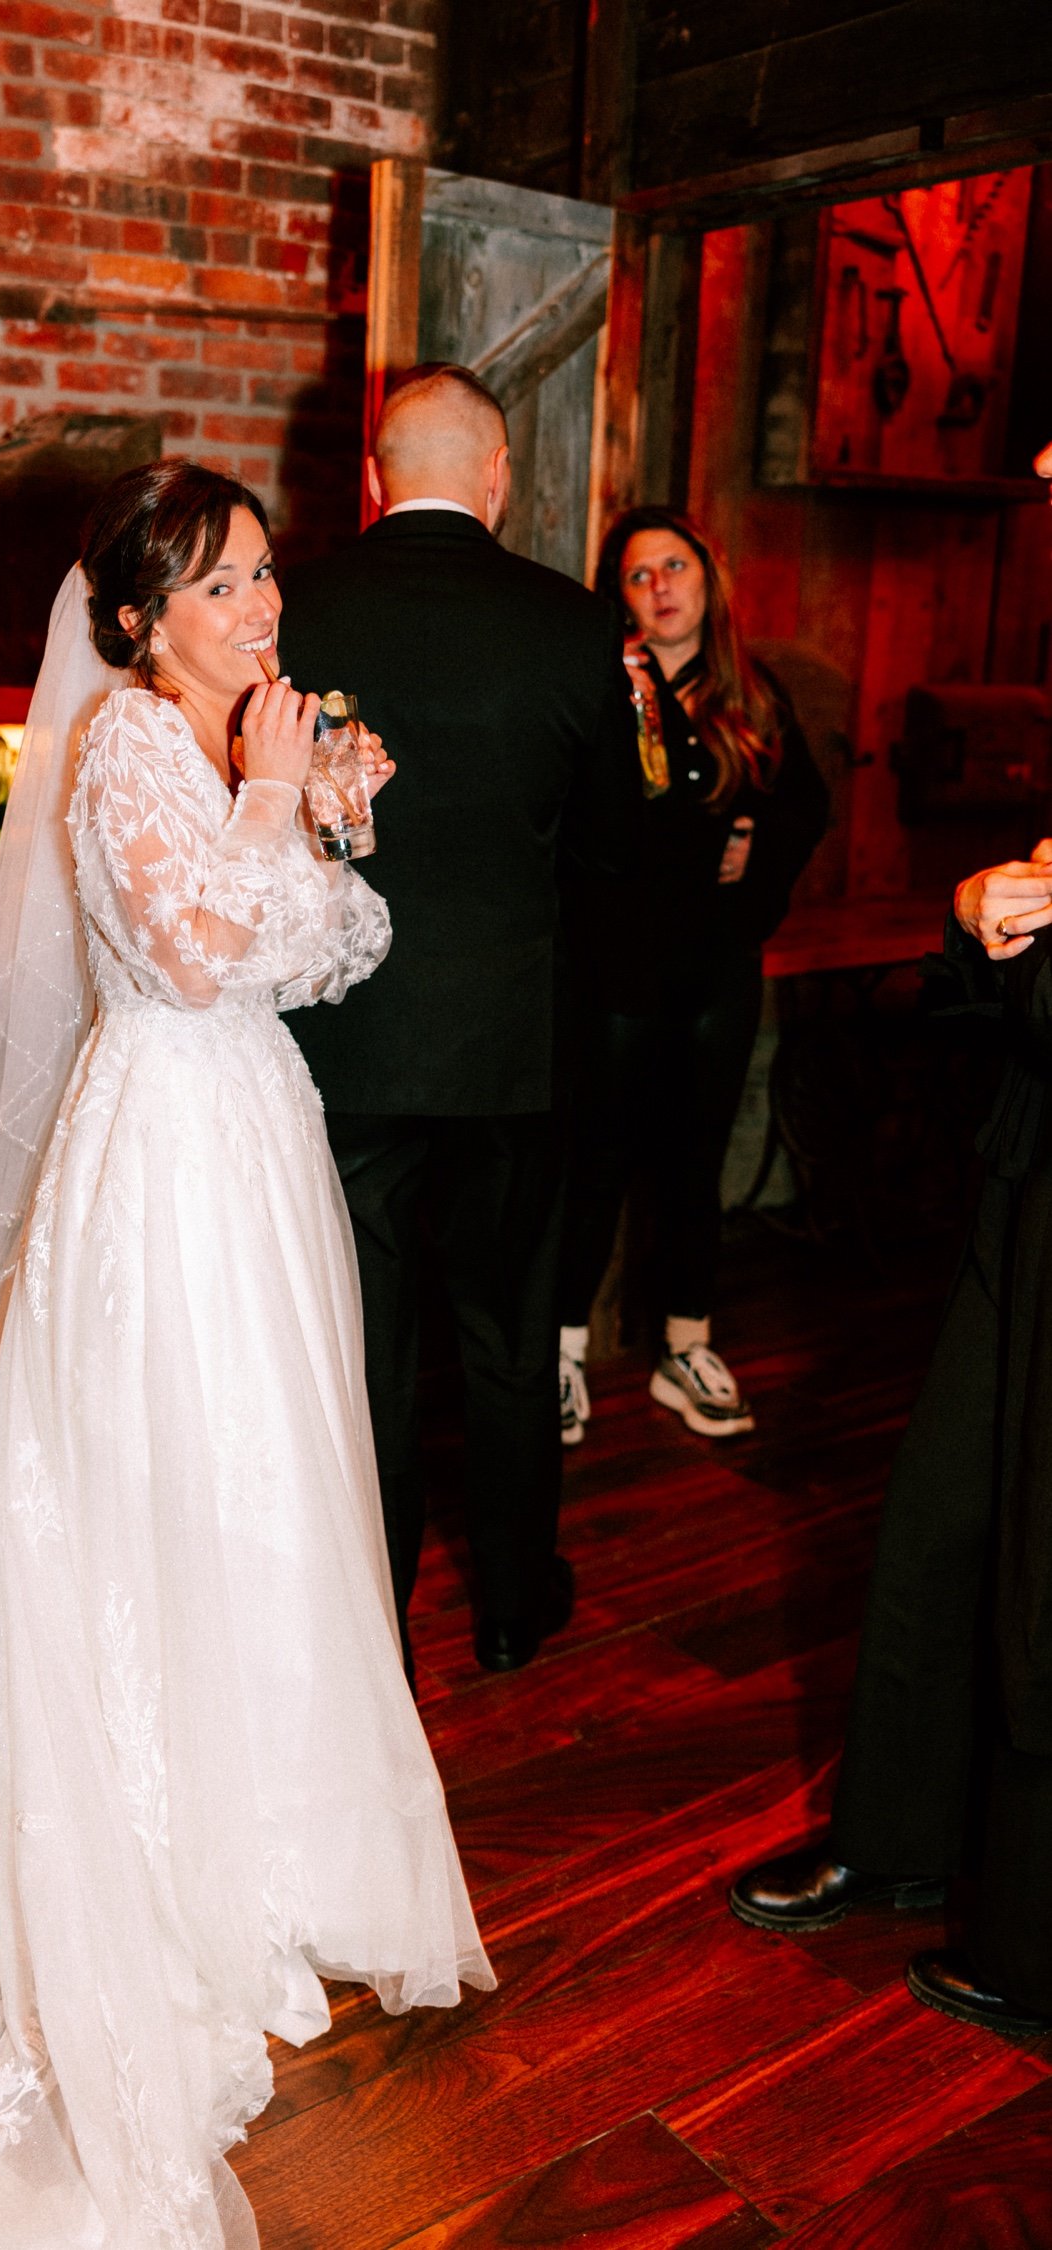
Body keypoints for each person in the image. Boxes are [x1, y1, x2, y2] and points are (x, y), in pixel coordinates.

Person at [0, 461, 494, 2248]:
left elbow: (322, 952)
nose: (260, 609)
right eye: (216, 590)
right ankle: (140, 1851)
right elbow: (205, 952)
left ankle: (261, 1833)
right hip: (160, 1169)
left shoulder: (239, 740)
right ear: (136, 626)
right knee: (156, 1485)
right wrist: (282, 795)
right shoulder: (134, 743)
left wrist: (323, 809)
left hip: (254, 1147)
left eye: (264, 575)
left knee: (269, 1485)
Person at [278, 363, 642, 1682]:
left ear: (374, 479)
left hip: (340, 1040)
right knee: (505, 1321)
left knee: (361, 1330)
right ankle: (510, 1600)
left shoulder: (289, 609)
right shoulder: (581, 627)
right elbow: (620, 844)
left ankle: (369, 1601)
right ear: (500, 480)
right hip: (510, 1046)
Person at [729, 840, 1052, 2037]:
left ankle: (1034, 1942)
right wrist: (985, 912)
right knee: (941, 1519)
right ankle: (900, 1838)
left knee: (1040, 1574)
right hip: (1028, 1169)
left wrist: (1001, 923)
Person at [557, 507, 829, 1444]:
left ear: (707, 580)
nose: (662, 586)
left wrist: (752, 845)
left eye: (677, 566)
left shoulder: (750, 692)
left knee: (693, 1164)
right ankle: (560, 1355)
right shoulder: (603, 687)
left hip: (715, 966)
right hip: (619, 967)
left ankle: (686, 1346)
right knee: (591, 1161)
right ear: (619, 593)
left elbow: (802, 809)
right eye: (640, 573)